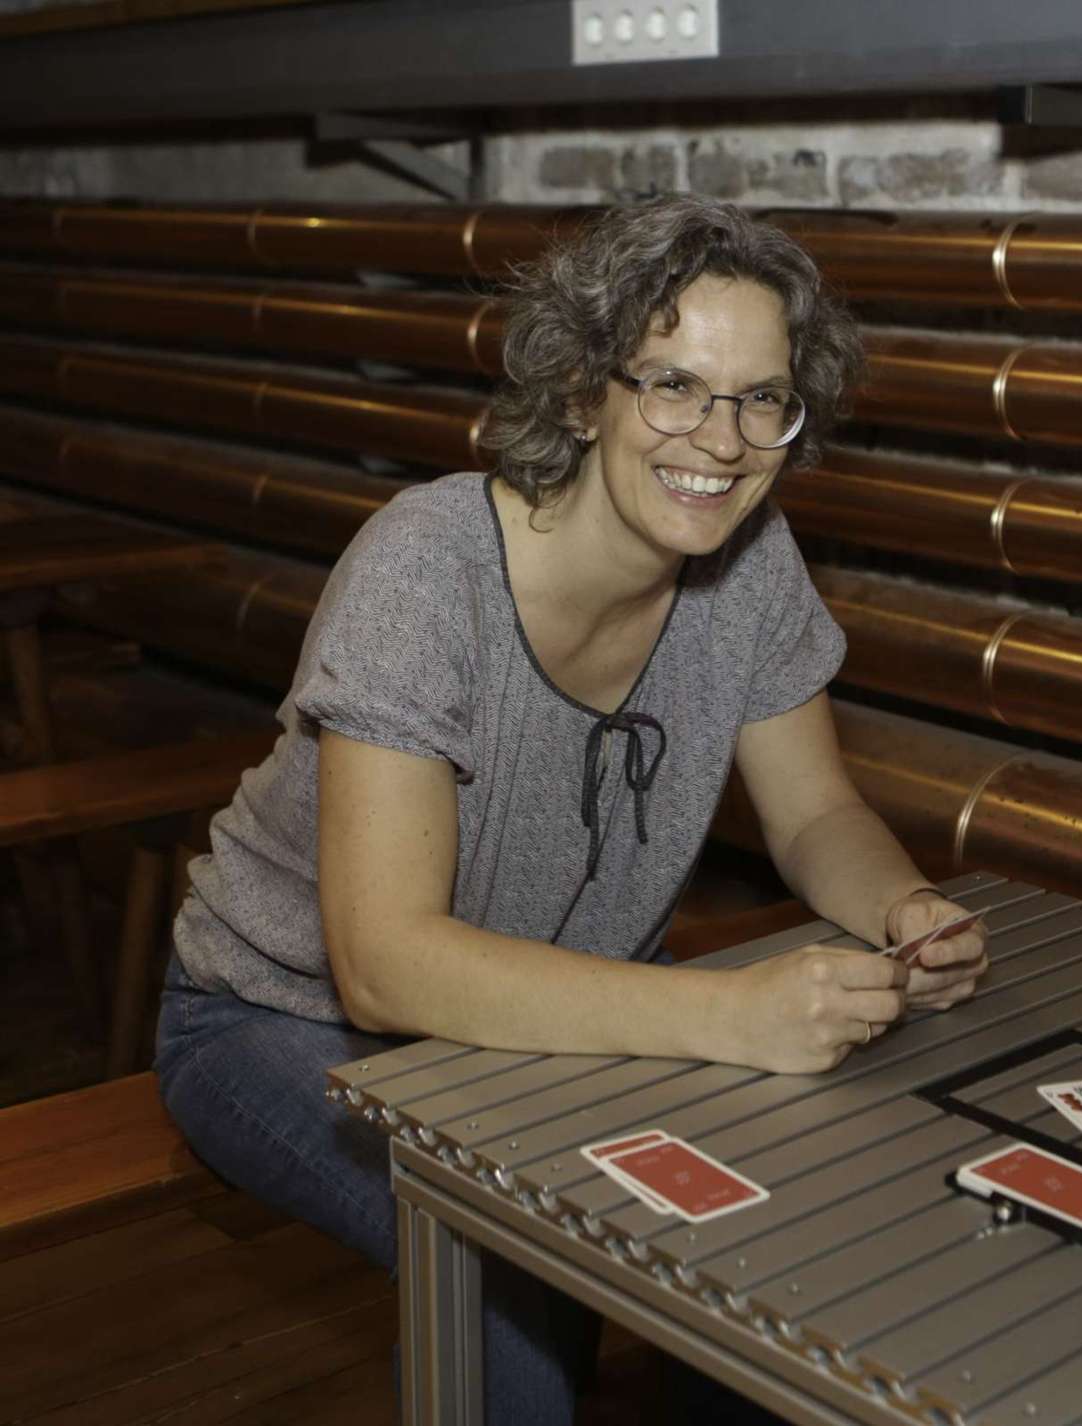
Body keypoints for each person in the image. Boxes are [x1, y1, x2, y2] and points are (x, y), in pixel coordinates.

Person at [153, 195, 988, 1422]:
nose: (722, 440)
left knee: (780, 1267)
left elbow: (815, 817)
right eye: (675, 385)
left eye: (761, 397)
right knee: (512, 1277)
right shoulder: (424, 566)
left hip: (558, 1020)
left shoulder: (754, 561)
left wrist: (902, 904)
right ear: (586, 392)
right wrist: (729, 1014)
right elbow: (383, 968)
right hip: (285, 1019)